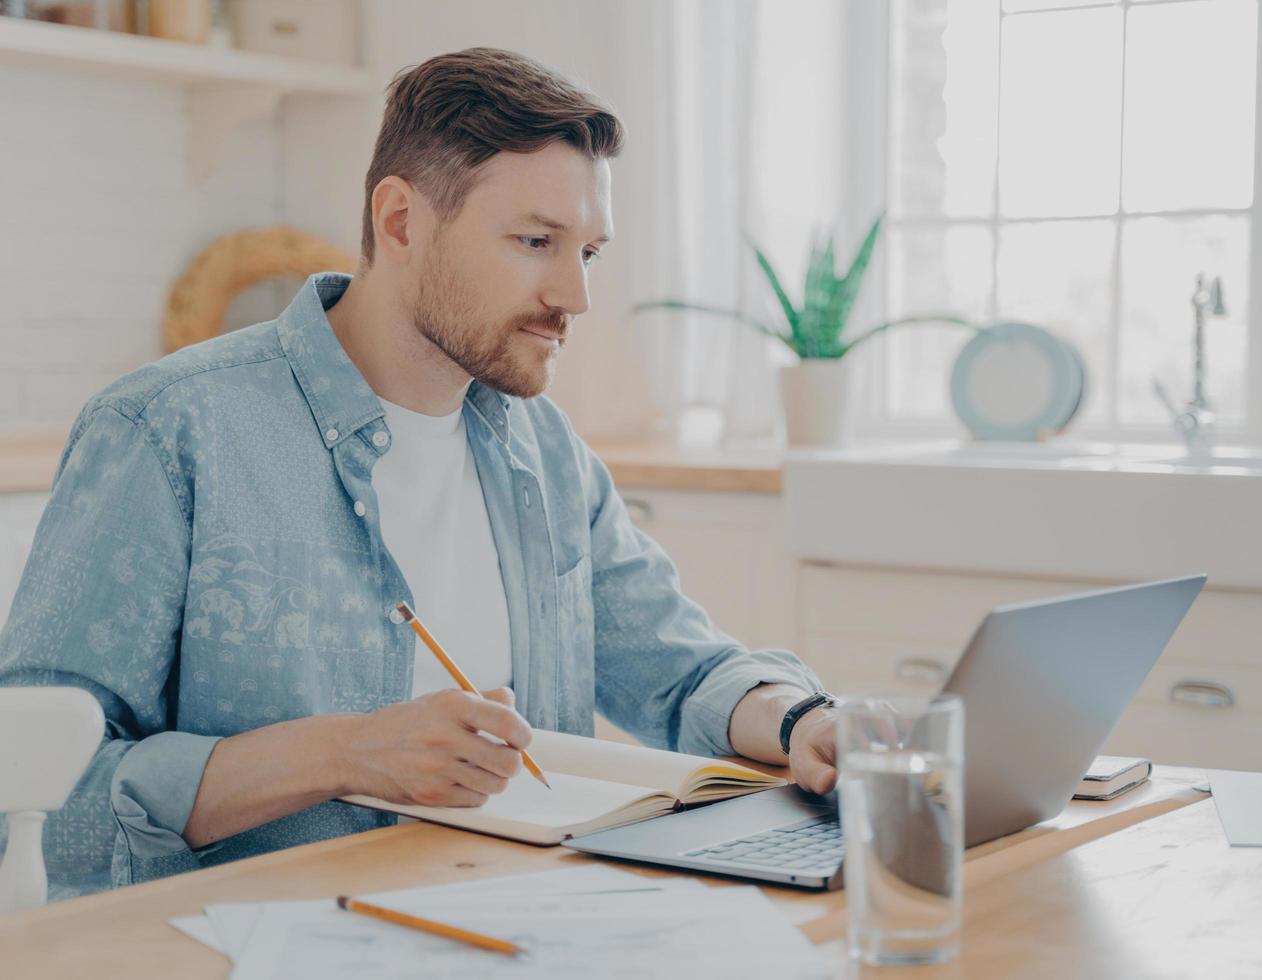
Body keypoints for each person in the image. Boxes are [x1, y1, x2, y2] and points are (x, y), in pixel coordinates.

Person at [0, 47, 837, 898]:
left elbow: (682, 671)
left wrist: (804, 719)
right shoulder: (168, 430)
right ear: (400, 222)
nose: (574, 296)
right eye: (535, 241)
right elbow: (37, 797)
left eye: (587, 252)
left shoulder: (545, 454)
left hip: (519, 926)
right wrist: (343, 755)